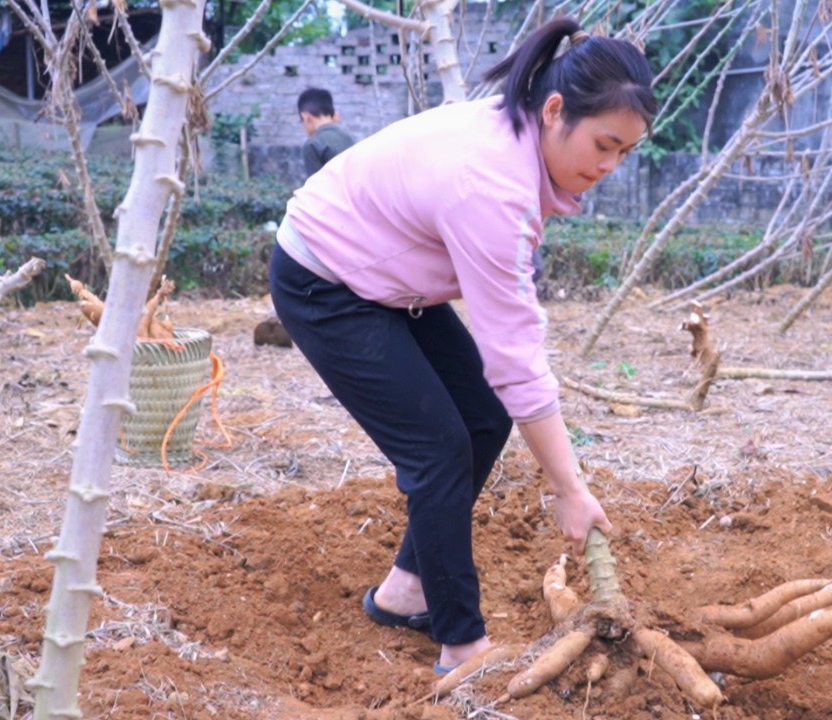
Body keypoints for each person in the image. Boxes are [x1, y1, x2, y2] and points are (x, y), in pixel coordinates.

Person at [269, 18, 656, 674]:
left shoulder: (518, 137)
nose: (608, 166)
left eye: (624, 152)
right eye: (604, 144)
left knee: (481, 414)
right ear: (556, 110)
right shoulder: (492, 187)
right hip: (325, 279)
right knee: (438, 450)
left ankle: (405, 590)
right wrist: (568, 486)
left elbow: (507, 365)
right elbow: (514, 356)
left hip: (386, 279)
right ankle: (463, 645)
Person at [297, 87, 356, 178]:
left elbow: (315, 186)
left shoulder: (313, 144)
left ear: (305, 117)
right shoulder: (350, 137)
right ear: (335, 115)